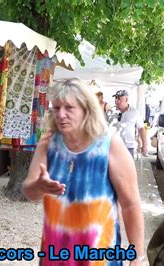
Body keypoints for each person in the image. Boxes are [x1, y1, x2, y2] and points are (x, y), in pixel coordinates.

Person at [22, 78, 146, 265]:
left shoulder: (110, 144)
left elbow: (130, 204)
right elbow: (29, 192)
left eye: (69, 108)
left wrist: (137, 256)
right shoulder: (48, 143)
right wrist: (39, 186)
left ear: (86, 110)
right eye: (56, 108)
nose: (61, 115)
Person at [111, 89, 148, 158]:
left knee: (126, 168)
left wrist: (144, 145)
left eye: (119, 98)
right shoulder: (111, 112)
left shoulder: (134, 112)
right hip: (113, 147)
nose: (117, 101)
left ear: (126, 99)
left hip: (128, 147)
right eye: (116, 98)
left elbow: (141, 128)